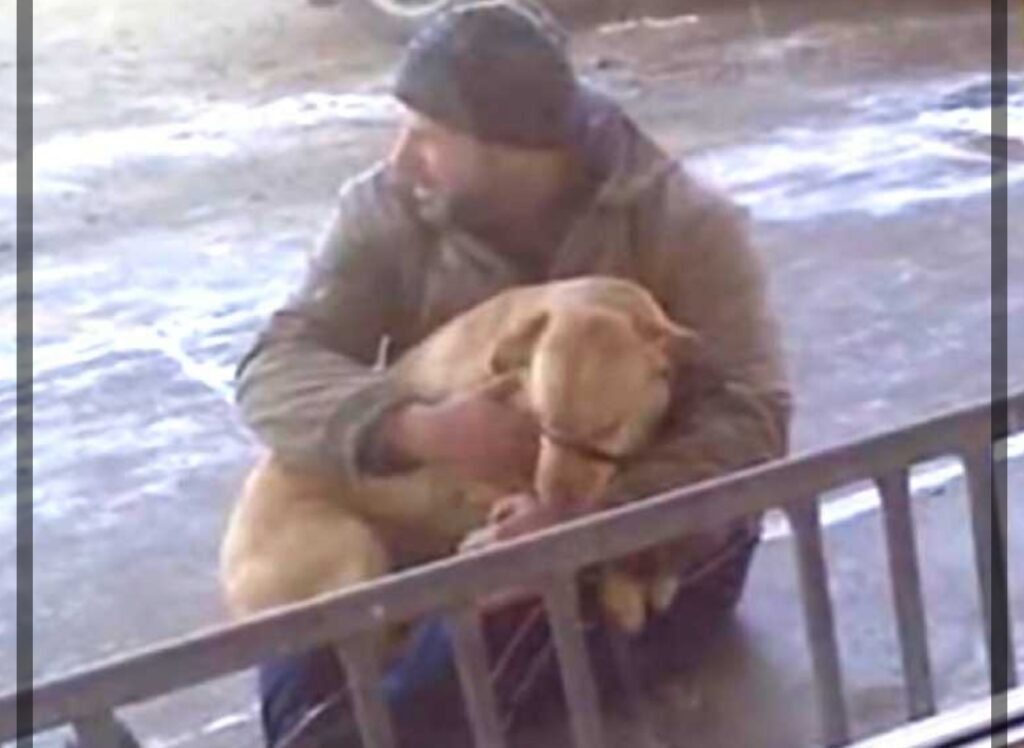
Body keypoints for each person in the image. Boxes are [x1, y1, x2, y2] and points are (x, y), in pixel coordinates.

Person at [235, 2, 791, 745]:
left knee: (483, 636)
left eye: (430, 137)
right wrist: (418, 428)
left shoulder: (682, 223)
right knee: (310, 644)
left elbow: (755, 416)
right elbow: (277, 367)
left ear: (517, 147)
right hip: (459, 524)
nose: (402, 157)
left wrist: (588, 517)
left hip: (655, 543)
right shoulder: (390, 207)